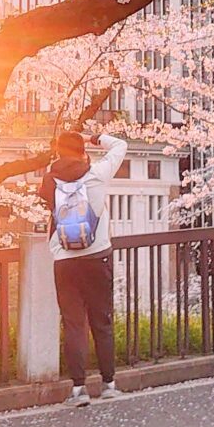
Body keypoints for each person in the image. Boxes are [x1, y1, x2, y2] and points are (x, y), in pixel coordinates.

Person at [39, 128, 129, 407]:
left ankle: (78, 390)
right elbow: (121, 145)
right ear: (82, 151)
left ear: (58, 151)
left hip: (65, 260)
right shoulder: (96, 173)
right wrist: (93, 137)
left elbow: (46, 203)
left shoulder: (49, 179)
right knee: (101, 321)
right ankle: (109, 384)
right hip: (97, 256)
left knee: (74, 324)